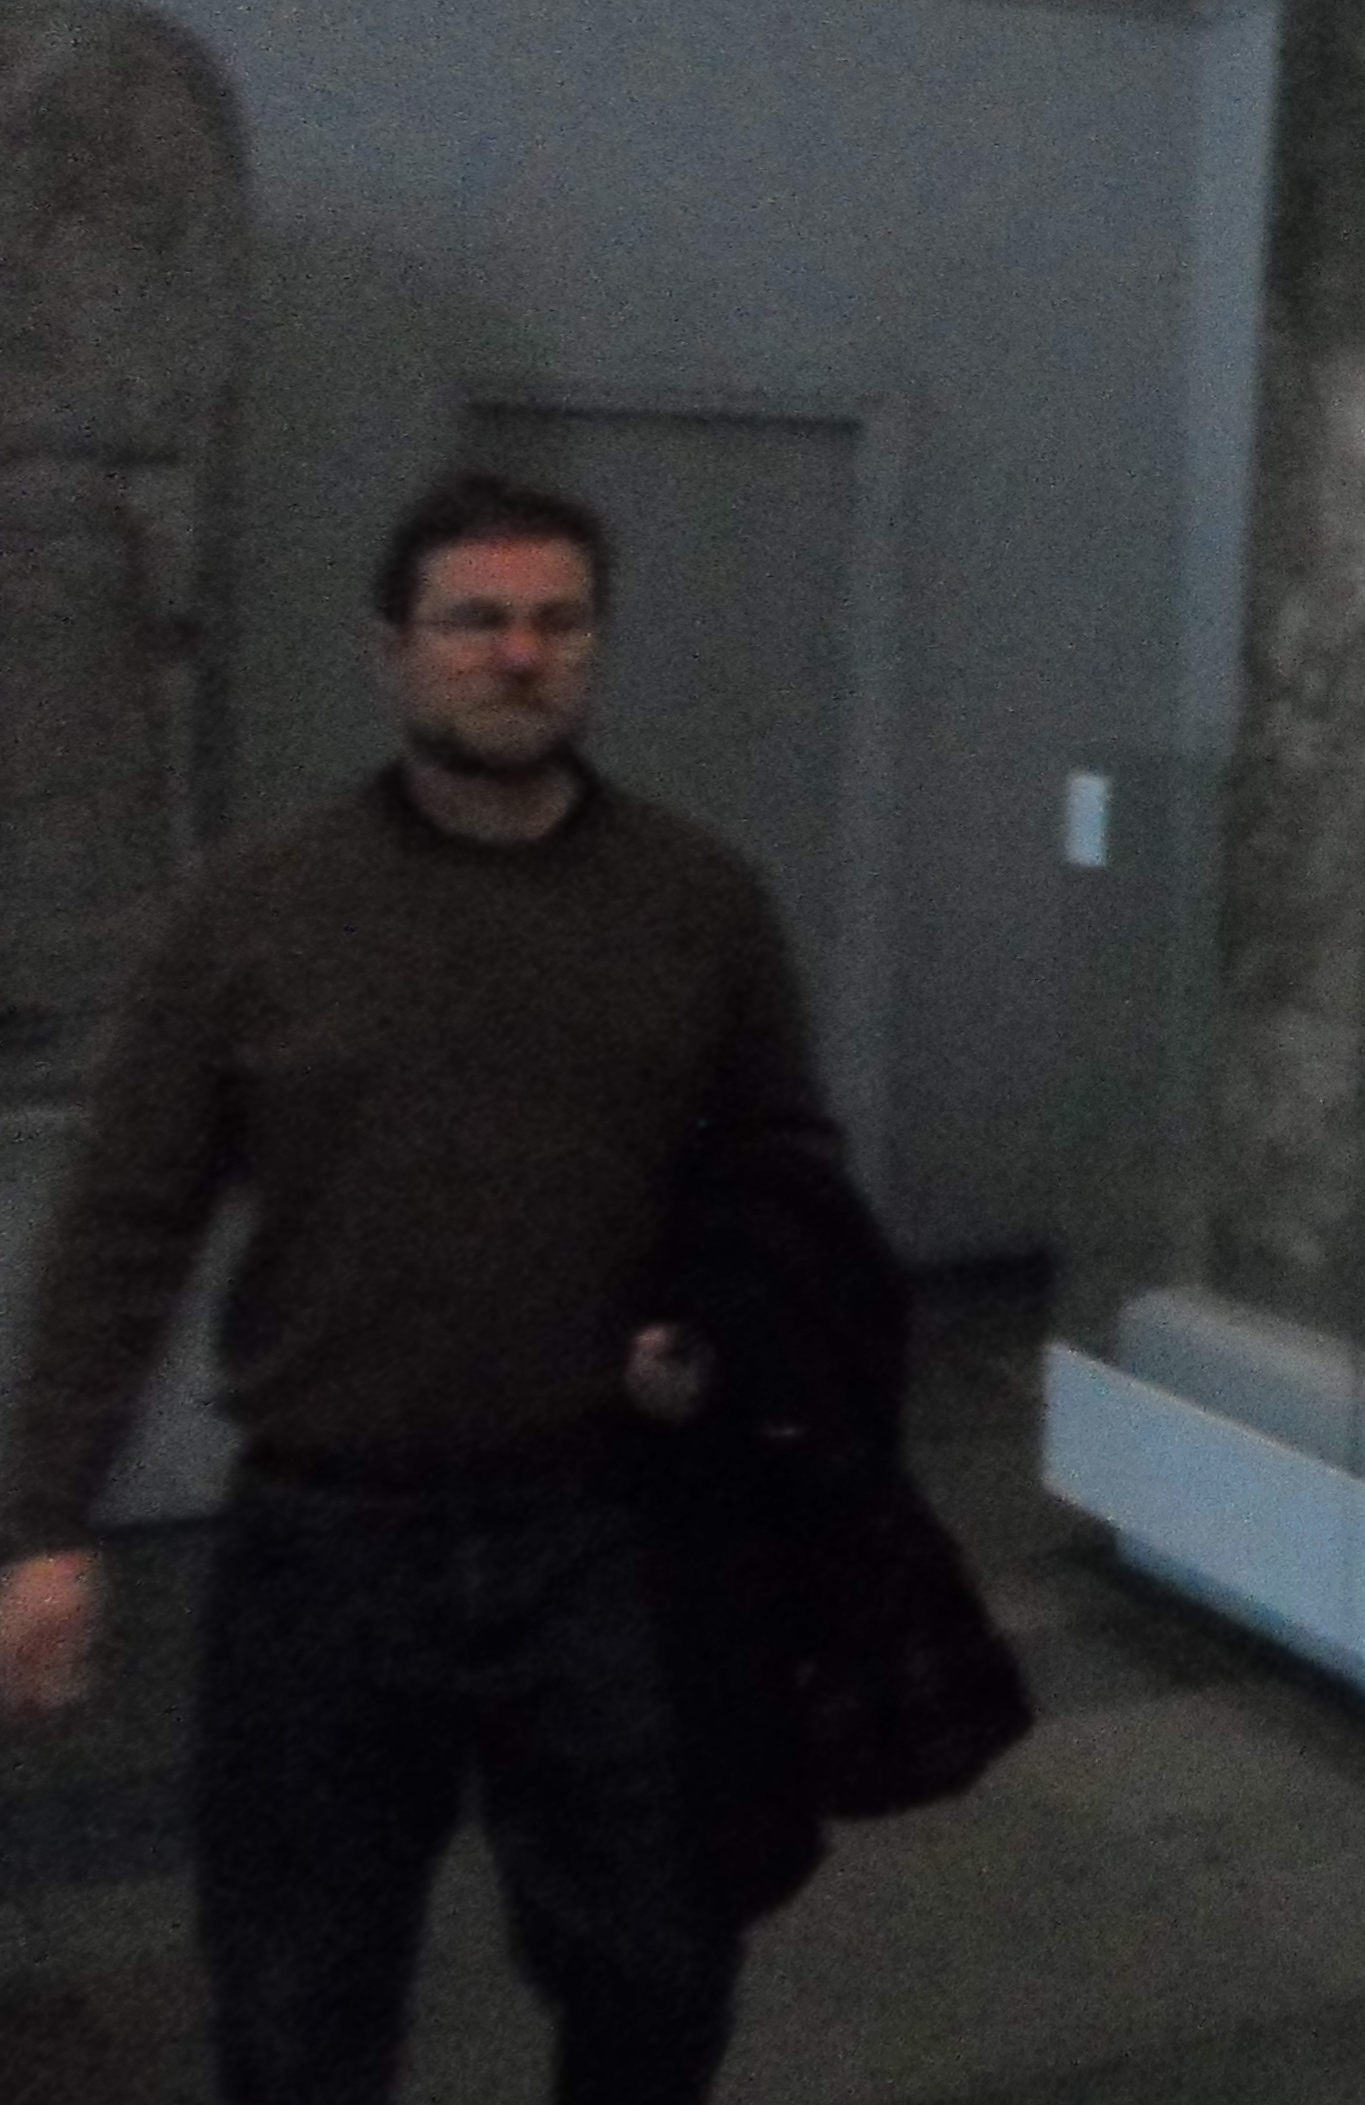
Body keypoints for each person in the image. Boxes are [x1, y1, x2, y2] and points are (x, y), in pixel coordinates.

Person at [0, 472, 835, 2104]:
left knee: (659, 1969)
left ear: (594, 645)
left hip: (607, 1529)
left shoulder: (698, 903)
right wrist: (45, 1523)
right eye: (476, 621)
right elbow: (123, 1224)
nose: (518, 654)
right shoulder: (254, 912)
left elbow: (781, 1178)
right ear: (392, 650)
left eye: (557, 622)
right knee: (299, 2008)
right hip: (325, 1547)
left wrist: (723, 1335)